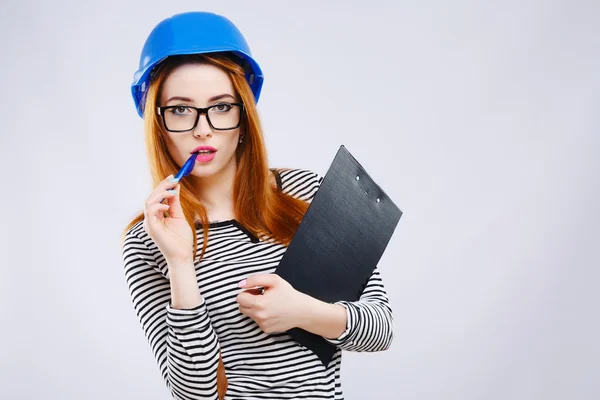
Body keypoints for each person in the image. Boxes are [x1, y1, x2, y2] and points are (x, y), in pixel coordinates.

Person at [121, 11, 394, 400]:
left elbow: (380, 329)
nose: (203, 128)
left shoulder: (306, 192)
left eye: (221, 107)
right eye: (181, 109)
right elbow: (193, 393)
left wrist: (300, 312)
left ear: (244, 113)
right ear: (158, 122)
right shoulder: (149, 239)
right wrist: (180, 264)